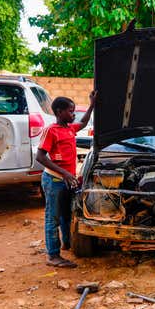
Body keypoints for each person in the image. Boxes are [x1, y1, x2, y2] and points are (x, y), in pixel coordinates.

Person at [36, 91, 96, 268]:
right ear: (59, 112)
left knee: (66, 215)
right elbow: (40, 156)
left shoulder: (69, 129)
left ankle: (66, 243)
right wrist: (65, 173)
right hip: (54, 180)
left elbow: (84, 122)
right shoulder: (51, 131)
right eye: (70, 111)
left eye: (74, 111)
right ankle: (53, 256)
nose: (73, 114)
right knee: (52, 217)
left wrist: (92, 104)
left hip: (66, 181)